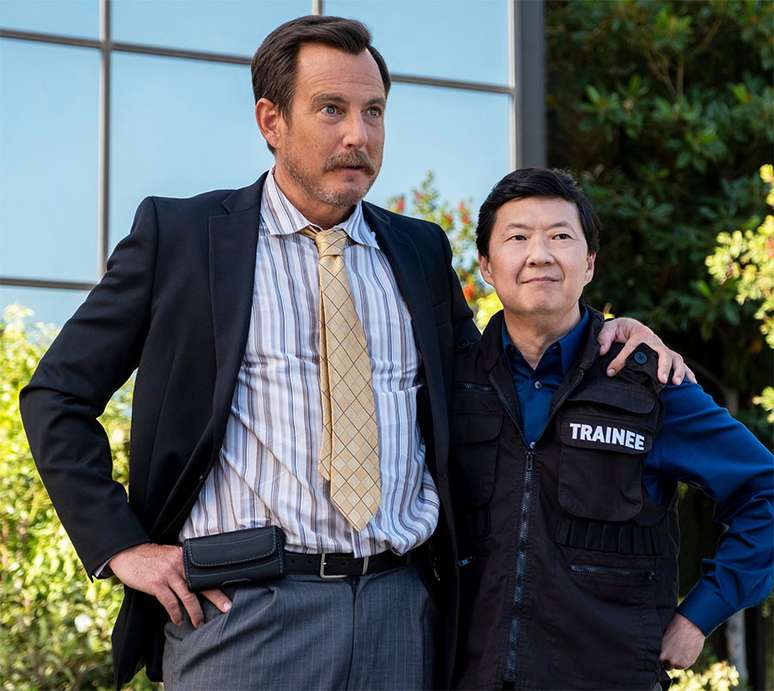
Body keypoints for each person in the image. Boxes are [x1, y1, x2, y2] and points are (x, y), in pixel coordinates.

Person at [20, 17, 689, 691]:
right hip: (242, 617)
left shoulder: (419, 251)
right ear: (271, 120)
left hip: (400, 615)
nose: (358, 136)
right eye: (331, 109)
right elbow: (57, 395)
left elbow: (493, 377)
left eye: (373, 112)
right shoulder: (184, 238)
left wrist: (606, 334)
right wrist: (123, 545)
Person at [450, 167, 774, 690]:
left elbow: (766, 489)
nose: (540, 255)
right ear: (486, 265)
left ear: (589, 264)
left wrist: (700, 615)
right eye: (517, 238)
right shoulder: (451, 381)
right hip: (470, 676)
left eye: (561, 236)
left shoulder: (649, 383)